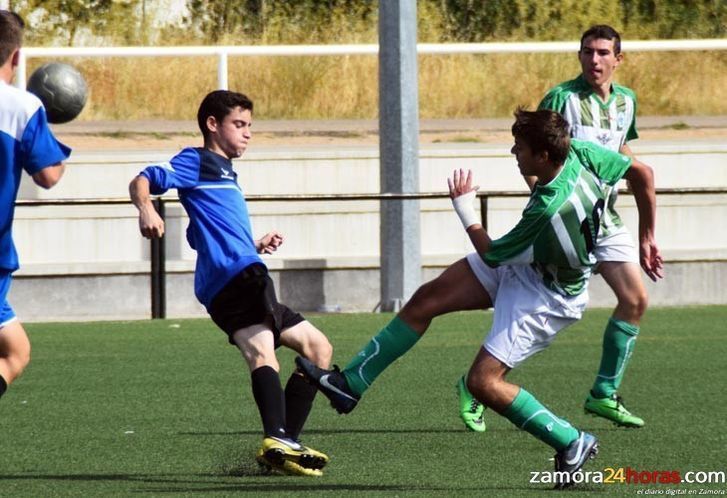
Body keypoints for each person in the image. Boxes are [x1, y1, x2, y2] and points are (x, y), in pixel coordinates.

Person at [296, 109, 661, 487]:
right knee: (426, 300)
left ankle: (571, 440)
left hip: (545, 298)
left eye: (519, 148)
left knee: (482, 383)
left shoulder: (549, 207)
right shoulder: (581, 151)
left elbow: (493, 254)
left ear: (544, 156)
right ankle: (350, 384)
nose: (513, 152)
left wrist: (464, 207)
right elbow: (642, 173)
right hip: (530, 265)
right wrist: (647, 234)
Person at [457, 25, 663, 432]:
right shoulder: (561, 98)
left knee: (635, 300)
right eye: (587, 52)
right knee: (536, 301)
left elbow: (622, 149)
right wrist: (543, 201)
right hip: (566, 217)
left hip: (606, 217)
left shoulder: (627, 101)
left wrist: (647, 233)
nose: (595, 60)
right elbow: (536, 148)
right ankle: (477, 384)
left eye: (603, 53)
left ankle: (603, 393)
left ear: (618, 59)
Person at [128, 90, 333, 477]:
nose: (248, 133)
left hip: (244, 270)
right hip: (236, 278)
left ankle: (283, 442)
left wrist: (253, 243)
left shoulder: (224, 174)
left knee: (318, 348)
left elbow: (206, 232)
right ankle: (279, 438)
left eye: (250, 126)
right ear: (212, 124)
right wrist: (146, 207)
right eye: (239, 124)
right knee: (262, 351)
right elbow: (143, 179)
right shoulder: (196, 161)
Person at [0, 11, 70, 402]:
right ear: (15, 58)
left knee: (15, 349)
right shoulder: (22, 107)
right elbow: (48, 176)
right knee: (14, 353)